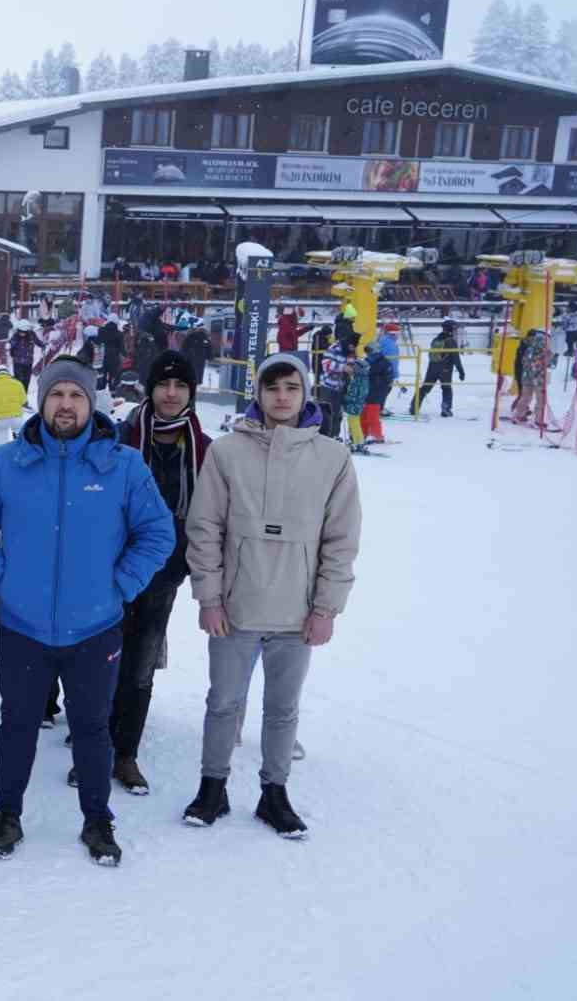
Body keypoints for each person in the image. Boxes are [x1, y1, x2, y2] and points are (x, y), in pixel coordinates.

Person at [0, 356, 174, 867]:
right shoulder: (9, 463)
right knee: (16, 725)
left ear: (90, 402)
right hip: (21, 625)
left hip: (95, 627)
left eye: (76, 395)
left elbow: (158, 533)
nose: (66, 404)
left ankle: (97, 820)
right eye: (57, 394)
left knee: (93, 728)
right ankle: (7, 814)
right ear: (42, 399)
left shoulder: (122, 465)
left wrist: (120, 585)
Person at [182, 353, 362, 839]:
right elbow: (204, 529)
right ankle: (212, 786)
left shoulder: (332, 458)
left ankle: (274, 792)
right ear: (257, 394)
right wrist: (210, 597)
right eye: (272, 388)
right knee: (223, 701)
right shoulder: (226, 453)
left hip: (297, 612)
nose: (282, 397)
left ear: (305, 394)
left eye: (291, 388)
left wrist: (326, 608)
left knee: (283, 708)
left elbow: (341, 540)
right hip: (236, 609)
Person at [66, 351, 211, 797]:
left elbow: (209, 515)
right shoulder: (123, 437)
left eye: (181, 386)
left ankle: (124, 752)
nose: (171, 394)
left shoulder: (203, 448)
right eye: (164, 385)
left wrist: (192, 562)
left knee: (139, 665)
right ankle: (93, 744)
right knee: (98, 661)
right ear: (149, 389)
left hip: (163, 573)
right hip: (109, 569)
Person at [413, 320, 466, 418]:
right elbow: (456, 358)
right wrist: (461, 371)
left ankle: (413, 407)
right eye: (455, 329)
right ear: (451, 329)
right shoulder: (451, 341)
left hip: (432, 367)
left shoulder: (436, 339)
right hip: (445, 369)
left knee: (425, 387)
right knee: (446, 388)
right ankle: (446, 409)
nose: (455, 331)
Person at [510, 328, 551, 424]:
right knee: (540, 399)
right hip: (538, 378)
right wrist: (549, 357)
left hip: (526, 377)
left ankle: (519, 415)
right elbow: (542, 363)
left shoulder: (529, 348)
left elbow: (524, 361)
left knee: (525, 397)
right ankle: (539, 420)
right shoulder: (543, 350)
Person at [361, 342, 392, 444]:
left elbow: (387, 379)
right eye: (367, 351)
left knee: (372, 415)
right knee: (364, 414)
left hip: (377, 392)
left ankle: (377, 435)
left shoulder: (384, 362)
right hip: (366, 391)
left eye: (369, 351)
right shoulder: (366, 361)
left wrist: (372, 379)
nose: (367, 353)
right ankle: (363, 433)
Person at [8, 320, 44, 388]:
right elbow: (10, 345)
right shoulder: (15, 336)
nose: (22, 333)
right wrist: (10, 349)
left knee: (26, 381)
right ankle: (17, 395)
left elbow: (38, 341)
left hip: (28, 361)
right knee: (17, 381)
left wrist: (43, 345)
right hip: (17, 362)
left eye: (24, 332)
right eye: (20, 331)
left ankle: (24, 395)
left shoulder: (31, 335)